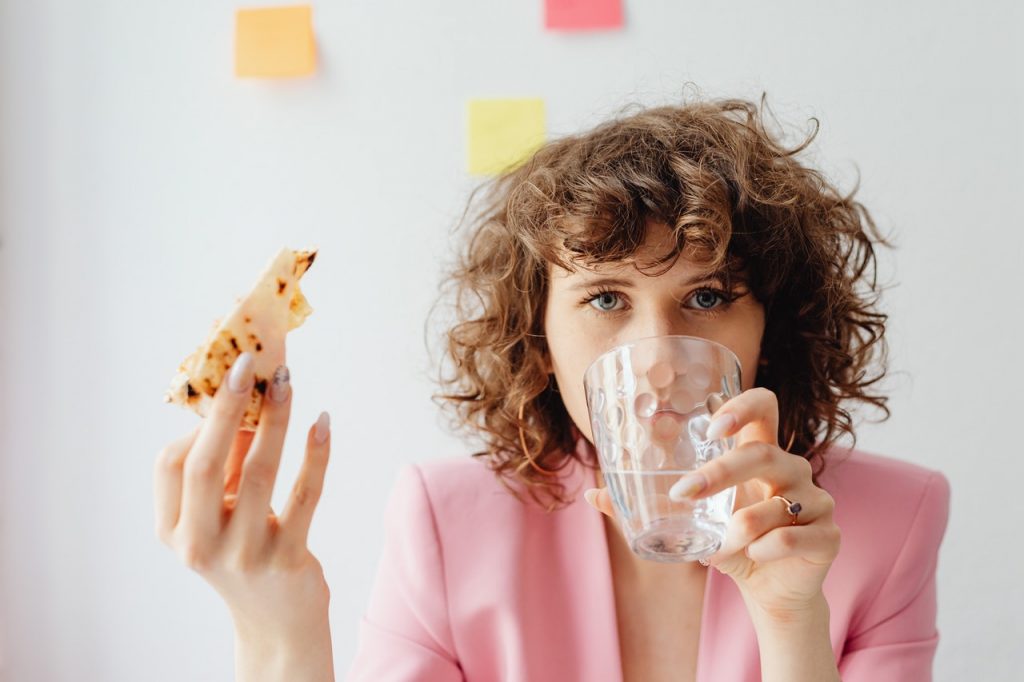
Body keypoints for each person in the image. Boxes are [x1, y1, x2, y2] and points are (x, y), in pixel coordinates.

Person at [154, 96, 950, 682]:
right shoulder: (447, 522)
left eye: (707, 297)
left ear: (774, 326)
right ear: (539, 334)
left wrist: (790, 622)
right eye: (606, 300)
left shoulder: (890, 524)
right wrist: (279, 629)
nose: (659, 358)